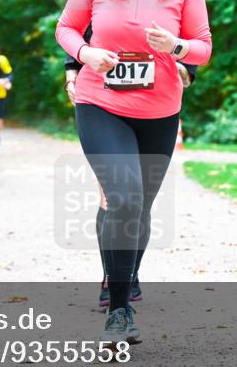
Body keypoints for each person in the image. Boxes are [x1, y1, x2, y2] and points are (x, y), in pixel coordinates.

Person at [56, 0, 212, 345]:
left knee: (139, 207)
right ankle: (120, 309)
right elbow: (65, 28)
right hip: (100, 102)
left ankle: (118, 273)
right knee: (122, 196)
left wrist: (176, 48)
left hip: (161, 110)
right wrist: (87, 53)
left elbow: (202, 44)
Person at [65, 25, 198, 308]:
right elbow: (78, 31)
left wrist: (181, 68)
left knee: (139, 203)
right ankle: (111, 279)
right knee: (113, 196)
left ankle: (129, 272)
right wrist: (71, 76)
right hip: (104, 105)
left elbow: (192, 46)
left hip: (155, 108)